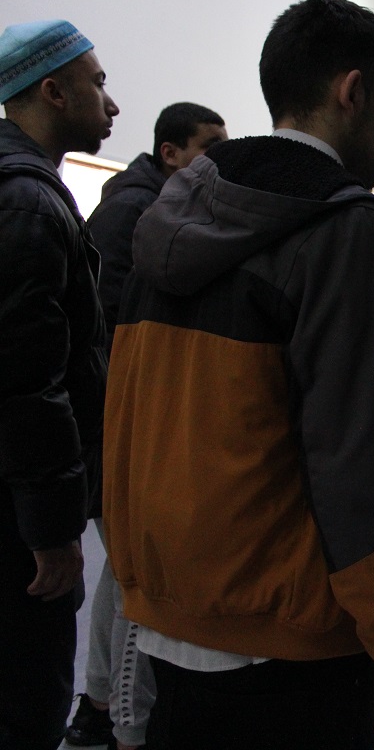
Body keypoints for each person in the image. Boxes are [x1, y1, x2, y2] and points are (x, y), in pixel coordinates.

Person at [102, 0, 374, 749]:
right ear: (351, 91)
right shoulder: (346, 231)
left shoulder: (172, 212)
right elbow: (356, 465)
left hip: (167, 609)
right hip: (286, 632)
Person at [64, 102, 227, 750]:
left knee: (124, 570)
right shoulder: (141, 212)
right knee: (138, 575)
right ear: (171, 153)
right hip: (120, 425)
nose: (218, 158)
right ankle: (120, 722)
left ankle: (100, 705)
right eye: (209, 145)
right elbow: (111, 331)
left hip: (121, 423)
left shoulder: (147, 204)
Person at [0, 19, 117, 750]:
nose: (111, 102)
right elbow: (27, 385)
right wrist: (51, 531)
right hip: (16, 512)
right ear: (53, 91)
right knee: (28, 698)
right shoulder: (27, 203)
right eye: (97, 83)